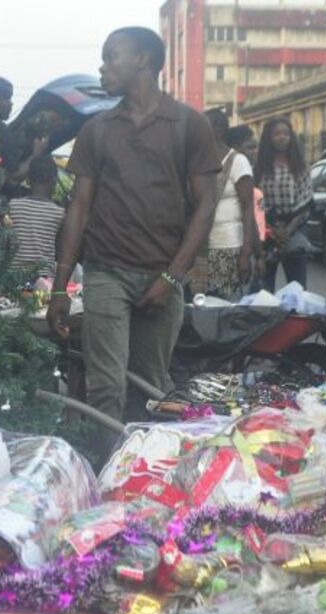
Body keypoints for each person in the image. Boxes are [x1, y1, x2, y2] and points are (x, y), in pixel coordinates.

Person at [47, 26, 220, 444]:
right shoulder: (97, 130)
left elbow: (206, 206)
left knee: (150, 390)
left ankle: (142, 470)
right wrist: (60, 287)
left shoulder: (188, 125)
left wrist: (173, 277)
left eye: (111, 57)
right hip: (106, 272)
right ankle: (108, 472)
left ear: (142, 60)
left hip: (163, 275)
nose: (102, 68)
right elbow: (78, 208)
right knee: (106, 387)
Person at [188, 108, 258, 299]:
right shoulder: (195, 160)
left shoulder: (237, 161)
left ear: (218, 129)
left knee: (225, 306)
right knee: (198, 304)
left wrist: (246, 252)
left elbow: (247, 208)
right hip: (199, 248)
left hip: (228, 247)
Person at [255, 117, 312, 290]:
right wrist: (272, 230)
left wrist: (286, 232)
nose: (282, 137)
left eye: (286, 134)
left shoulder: (300, 167)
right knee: (264, 291)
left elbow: (305, 202)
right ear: (268, 138)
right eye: (277, 134)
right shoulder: (259, 168)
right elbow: (255, 203)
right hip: (266, 234)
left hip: (293, 232)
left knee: (297, 290)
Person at [7, 154, 64, 277]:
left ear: (28, 180)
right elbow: (60, 250)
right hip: (43, 280)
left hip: (13, 279)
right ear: (54, 181)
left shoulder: (13, 206)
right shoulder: (59, 213)